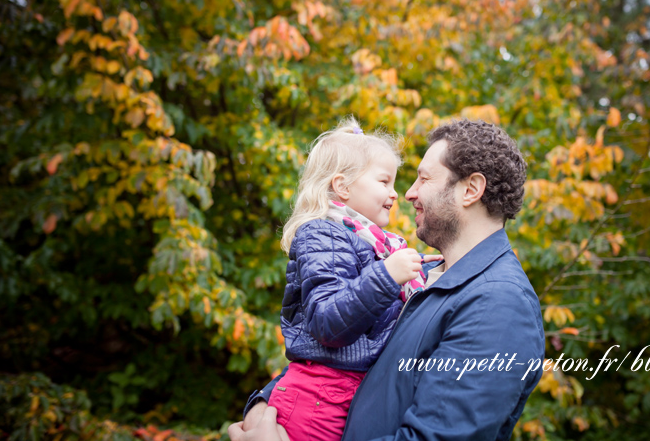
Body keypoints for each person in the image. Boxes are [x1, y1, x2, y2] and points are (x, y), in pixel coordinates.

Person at [232, 119, 545, 441]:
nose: (408, 193)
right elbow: (332, 351)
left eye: (423, 178)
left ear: (470, 190)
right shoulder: (419, 279)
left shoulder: (498, 304)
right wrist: (263, 406)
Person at [257, 118, 442, 441]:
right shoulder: (322, 233)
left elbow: (376, 313)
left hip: (344, 393)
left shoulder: (374, 244)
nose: (396, 193)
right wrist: (388, 276)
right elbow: (328, 321)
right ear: (342, 186)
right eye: (384, 182)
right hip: (318, 398)